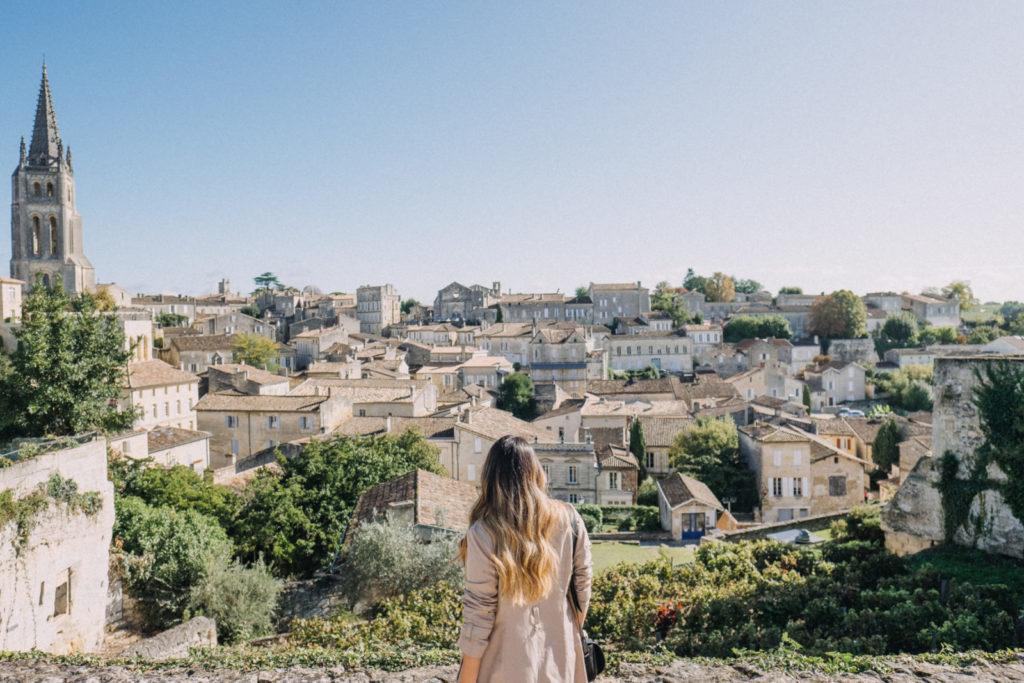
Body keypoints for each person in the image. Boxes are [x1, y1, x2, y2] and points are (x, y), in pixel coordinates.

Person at [457, 435, 593, 683]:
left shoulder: (483, 534)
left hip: (503, 667)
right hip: (560, 663)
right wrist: (559, 631)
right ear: (536, 473)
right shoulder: (570, 520)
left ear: (490, 477)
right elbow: (581, 593)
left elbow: (478, 619)